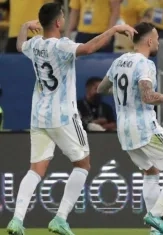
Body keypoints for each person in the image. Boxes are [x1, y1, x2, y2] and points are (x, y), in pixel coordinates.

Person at [6, 3, 135, 235]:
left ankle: (16, 220)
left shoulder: (34, 45)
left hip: (38, 116)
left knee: (35, 169)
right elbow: (87, 48)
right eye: (63, 16)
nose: (64, 18)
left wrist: (25, 26)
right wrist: (114, 31)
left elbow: (18, 44)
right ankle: (60, 218)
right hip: (63, 115)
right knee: (83, 165)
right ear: (58, 22)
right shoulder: (62, 45)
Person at [96, 22, 163, 235]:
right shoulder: (145, 64)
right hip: (144, 127)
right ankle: (156, 215)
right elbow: (148, 97)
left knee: (150, 172)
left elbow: (101, 89)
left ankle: (155, 230)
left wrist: (126, 95)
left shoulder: (119, 61)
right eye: (156, 38)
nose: (157, 41)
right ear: (149, 41)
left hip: (124, 130)